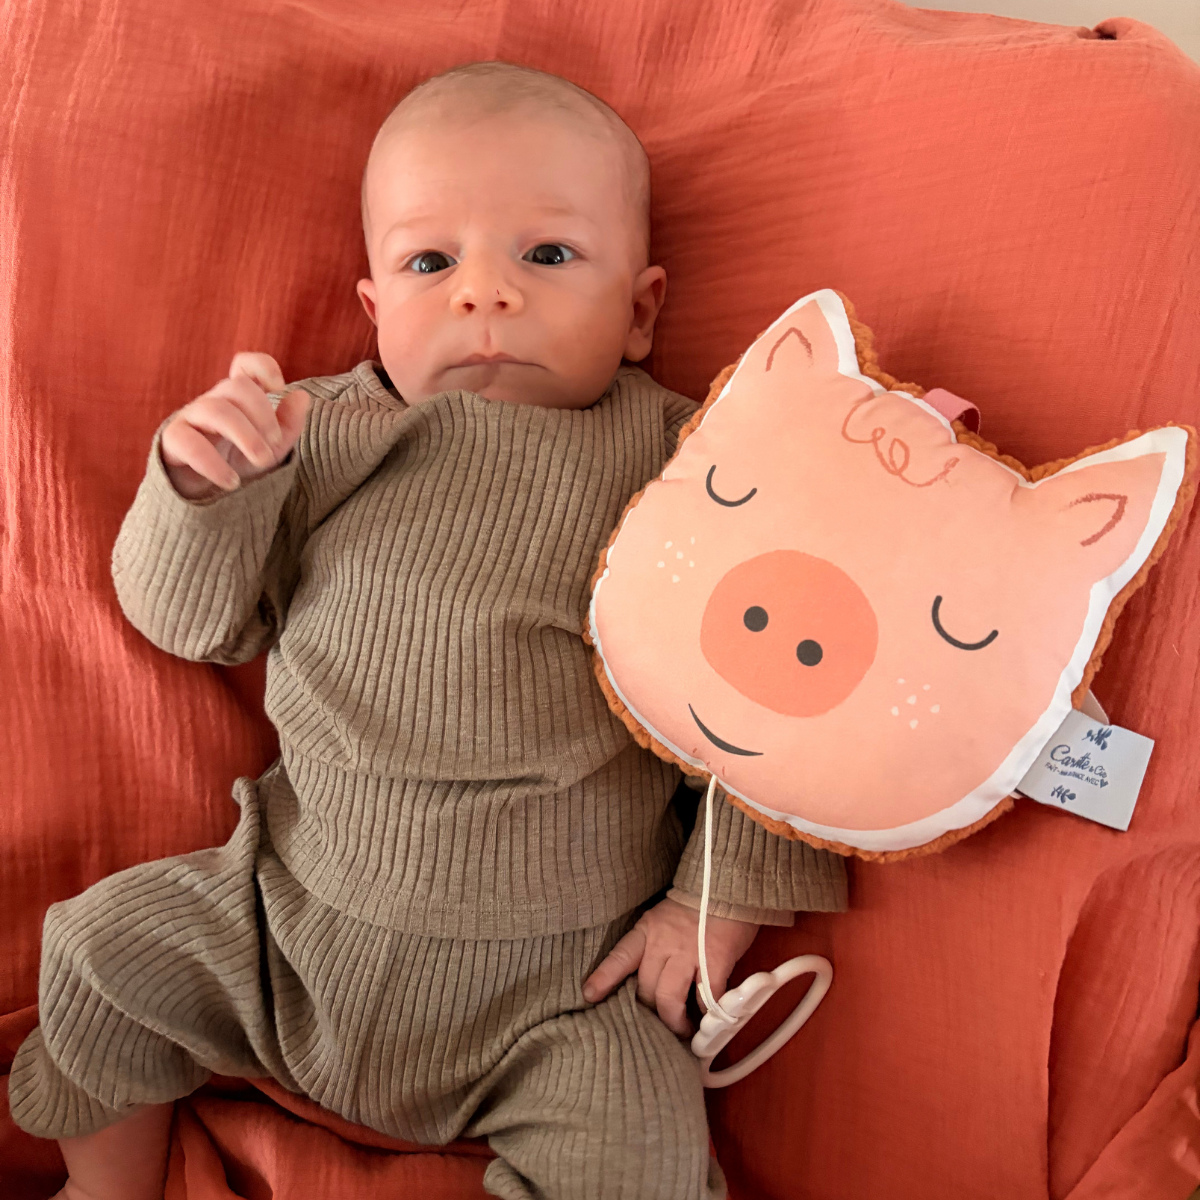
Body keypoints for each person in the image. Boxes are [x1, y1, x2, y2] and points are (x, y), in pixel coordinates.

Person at [9, 61, 847, 1200]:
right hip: (284, 929)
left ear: (642, 311)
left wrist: (718, 900)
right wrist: (204, 493)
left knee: (644, 1155)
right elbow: (189, 623)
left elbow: (783, 691)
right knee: (95, 951)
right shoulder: (314, 433)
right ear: (373, 311)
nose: (483, 294)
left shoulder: (692, 468)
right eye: (430, 263)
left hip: (562, 996)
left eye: (547, 255)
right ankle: (105, 1187)